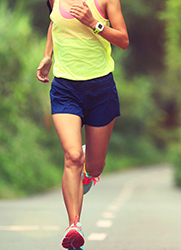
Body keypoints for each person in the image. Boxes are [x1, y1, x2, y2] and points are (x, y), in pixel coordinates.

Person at [36, 0, 129, 249]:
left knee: (95, 166)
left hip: (101, 88)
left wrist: (93, 23)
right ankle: (74, 227)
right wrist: (47, 56)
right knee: (72, 156)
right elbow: (55, 23)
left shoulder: (107, 1)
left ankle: (89, 174)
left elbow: (123, 40)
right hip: (65, 88)